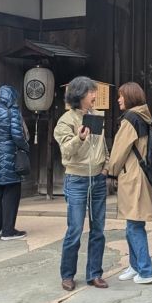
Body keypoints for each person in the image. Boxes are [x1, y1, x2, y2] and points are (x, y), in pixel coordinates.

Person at [54, 76, 109, 291]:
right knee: (75, 229)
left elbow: (103, 145)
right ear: (79, 95)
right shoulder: (66, 121)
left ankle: (94, 273)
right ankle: (67, 274)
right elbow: (66, 150)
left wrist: (106, 167)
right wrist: (80, 138)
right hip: (76, 179)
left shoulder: (96, 117)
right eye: (91, 92)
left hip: (98, 179)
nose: (95, 96)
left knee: (99, 229)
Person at [106, 82, 152, 285]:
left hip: (133, 177)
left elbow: (119, 150)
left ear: (129, 97)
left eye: (121, 96)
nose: (118, 99)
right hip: (140, 175)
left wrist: (109, 171)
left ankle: (145, 270)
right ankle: (135, 265)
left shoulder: (130, 119)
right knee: (132, 224)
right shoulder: (144, 116)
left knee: (134, 225)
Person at [0, 85, 31, 242]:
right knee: (11, 194)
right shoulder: (12, 113)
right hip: (9, 159)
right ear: (11, 97)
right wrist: (26, 147)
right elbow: (17, 136)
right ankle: (8, 231)